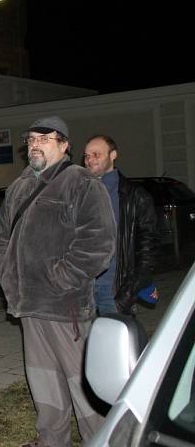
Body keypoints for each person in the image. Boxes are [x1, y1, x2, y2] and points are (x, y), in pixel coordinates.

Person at [0, 117, 116, 447]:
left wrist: (63, 276)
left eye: (45, 138)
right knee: (43, 378)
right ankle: (51, 441)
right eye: (31, 138)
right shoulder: (18, 187)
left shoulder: (81, 183)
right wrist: (3, 271)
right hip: (29, 303)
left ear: (64, 145)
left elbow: (98, 243)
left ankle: (101, 442)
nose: (35, 143)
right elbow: (4, 235)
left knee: (81, 381)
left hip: (66, 305)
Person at [83, 134, 159, 315]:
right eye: (86, 156)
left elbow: (148, 246)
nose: (89, 160)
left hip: (114, 290)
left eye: (96, 154)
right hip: (82, 290)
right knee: (85, 344)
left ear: (113, 155)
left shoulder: (134, 196)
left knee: (115, 341)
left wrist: (130, 290)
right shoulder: (80, 192)